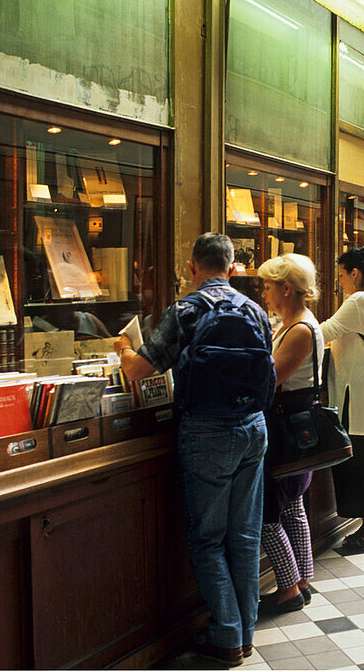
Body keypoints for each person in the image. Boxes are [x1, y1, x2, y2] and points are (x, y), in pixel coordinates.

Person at [115, 233, 274, 667]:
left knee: (206, 539)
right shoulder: (256, 310)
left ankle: (226, 636)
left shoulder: (185, 310)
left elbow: (141, 368)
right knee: (244, 535)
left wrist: (124, 348)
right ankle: (245, 632)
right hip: (254, 427)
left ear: (192, 268)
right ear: (232, 267)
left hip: (206, 432)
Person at [255, 254, 322, 616]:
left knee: (268, 512)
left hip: (288, 430)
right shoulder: (292, 325)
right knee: (293, 506)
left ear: (286, 288)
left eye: (267, 286)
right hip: (297, 429)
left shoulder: (299, 330)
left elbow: (271, 379)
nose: (263, 293)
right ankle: (302, 581)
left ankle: (287, 589)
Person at [319, 246, 364, 553]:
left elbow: (326, 330)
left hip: (355, 391)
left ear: (355, 274)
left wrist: (285, 334)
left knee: (358, 459)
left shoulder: (358, 300)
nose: (340, 281)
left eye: (341, 275)